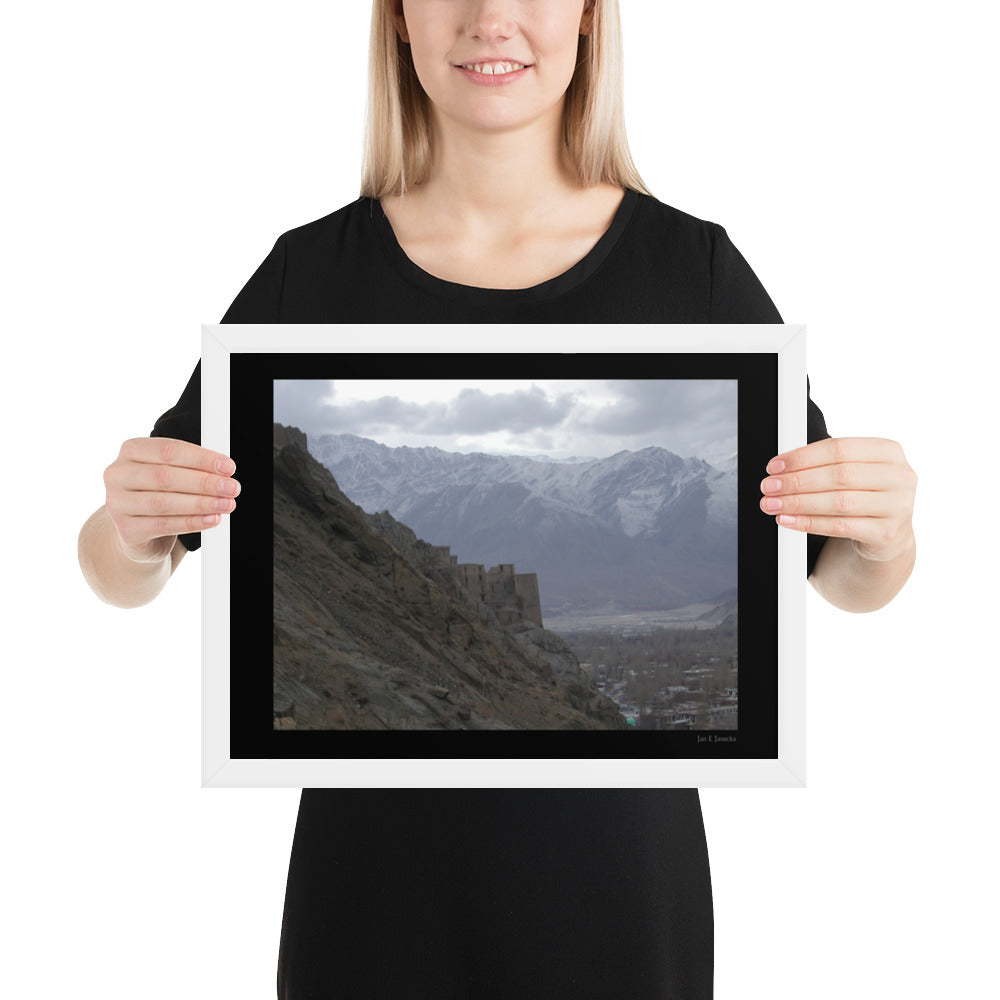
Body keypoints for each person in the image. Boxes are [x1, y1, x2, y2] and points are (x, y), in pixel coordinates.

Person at [78, 1, 917, 997]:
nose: (491, 19)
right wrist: (132, 531)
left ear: (591, 18)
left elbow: (842, 576)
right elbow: (123, 565)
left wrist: (884, 531)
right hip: (372, 881)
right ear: (396, 19)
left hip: (616, 880)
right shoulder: (309, 273)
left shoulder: (692, 272)